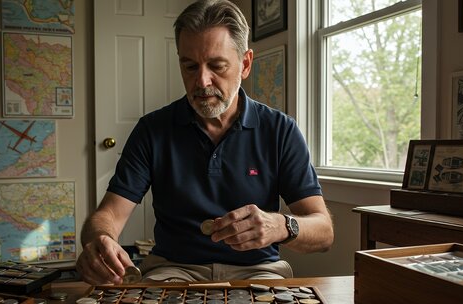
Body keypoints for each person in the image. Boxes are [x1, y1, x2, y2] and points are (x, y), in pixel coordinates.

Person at [77, 0, 334, 284]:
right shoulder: (152, 130)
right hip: (172, 270)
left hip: (258, 271)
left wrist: (282, 226)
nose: (201, 81)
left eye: (216, 65)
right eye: (189, 66)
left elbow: (324, 233)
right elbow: (109, 214)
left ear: (245, 64)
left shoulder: (280, 130)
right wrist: (99, 240)